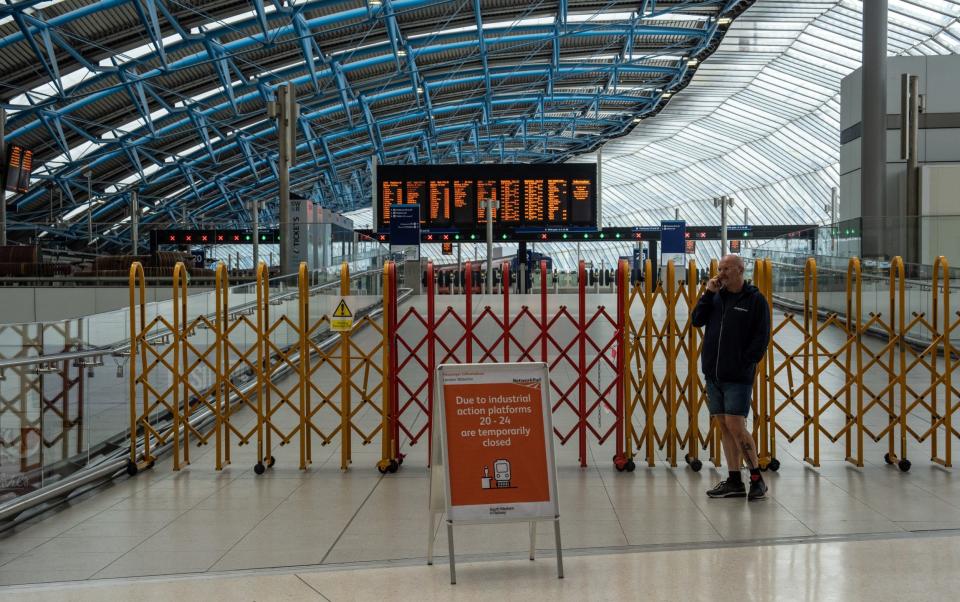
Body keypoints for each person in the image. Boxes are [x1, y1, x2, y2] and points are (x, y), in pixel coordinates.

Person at [691, 254, 771, 500]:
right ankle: (735, 480)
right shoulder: (715, 297)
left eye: (726, 269)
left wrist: (745, 362)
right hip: (713, 373)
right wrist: (707, 294)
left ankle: (756, 477)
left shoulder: (755, 300)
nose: (721, 273)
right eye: (719, 268)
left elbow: (761, 337)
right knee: (724, 425)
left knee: (736, 424)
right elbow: (697, 320)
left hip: (737, 374)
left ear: (740, 270)